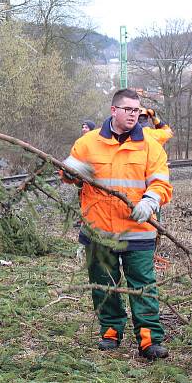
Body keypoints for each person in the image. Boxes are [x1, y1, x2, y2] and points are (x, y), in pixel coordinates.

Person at [61, 89, 173, 360]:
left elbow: (161, 183)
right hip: (98, 231)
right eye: (128, 110)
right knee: (103, 284)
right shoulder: (88, 142)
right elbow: (68, 175)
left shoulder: (150, 145)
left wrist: (149, 202)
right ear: (114, 111)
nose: (134, 114)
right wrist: (71, 172)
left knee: (143, 286)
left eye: (137, 110)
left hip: (137, 231)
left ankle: (149, 340)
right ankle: (110, 331)